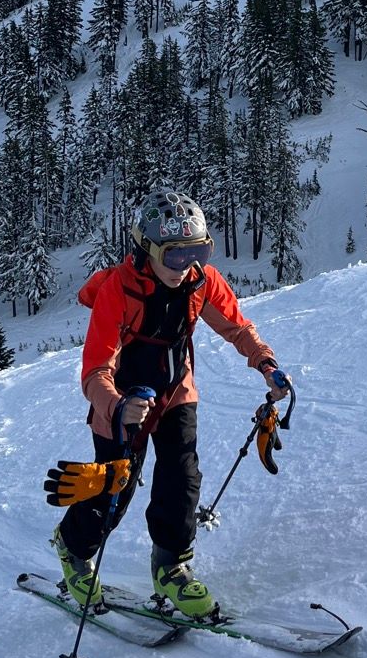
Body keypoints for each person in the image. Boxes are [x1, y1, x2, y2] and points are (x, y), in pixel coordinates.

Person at [51, 187, 290, 618]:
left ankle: (170, 566)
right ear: (147, 250)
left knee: (182, 477)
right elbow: (95, 370)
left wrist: (266, 363)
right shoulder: (118, 290)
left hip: (176, 391)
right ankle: (73, 548)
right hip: (121, 401)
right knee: (114, 485)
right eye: (175, 255)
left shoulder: (200, 281)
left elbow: (238, 328)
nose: (186, 265)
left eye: (198, 251)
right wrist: (117, 406)